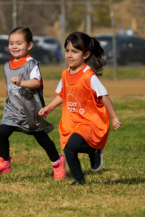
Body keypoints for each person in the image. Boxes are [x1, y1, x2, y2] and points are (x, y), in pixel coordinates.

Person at [39, 32, 122, 185]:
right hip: (72, 121)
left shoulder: (89, 76)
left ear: (86, 55)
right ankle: (79, 180)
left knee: (73, 145)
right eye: (67, 50)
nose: (69, 55)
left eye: (75, 52)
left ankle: (94, 150)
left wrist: (114, 117)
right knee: (68, 150)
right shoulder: (65, 74)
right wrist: (49, 107)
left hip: (90, 121)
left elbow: (104, 96)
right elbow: (63, 94)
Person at [0, 27, 66, 180]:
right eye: (11, 43)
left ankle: (57, 162)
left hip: (31, 110)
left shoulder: (31, 64)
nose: (14, 46)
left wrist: (21, 83)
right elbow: (7, 85)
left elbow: (36, 82)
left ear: (29, 45)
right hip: (13, 109)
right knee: (2, 132)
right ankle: (4, 162)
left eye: (18, 43)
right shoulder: (6, 65)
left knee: (41, 139)